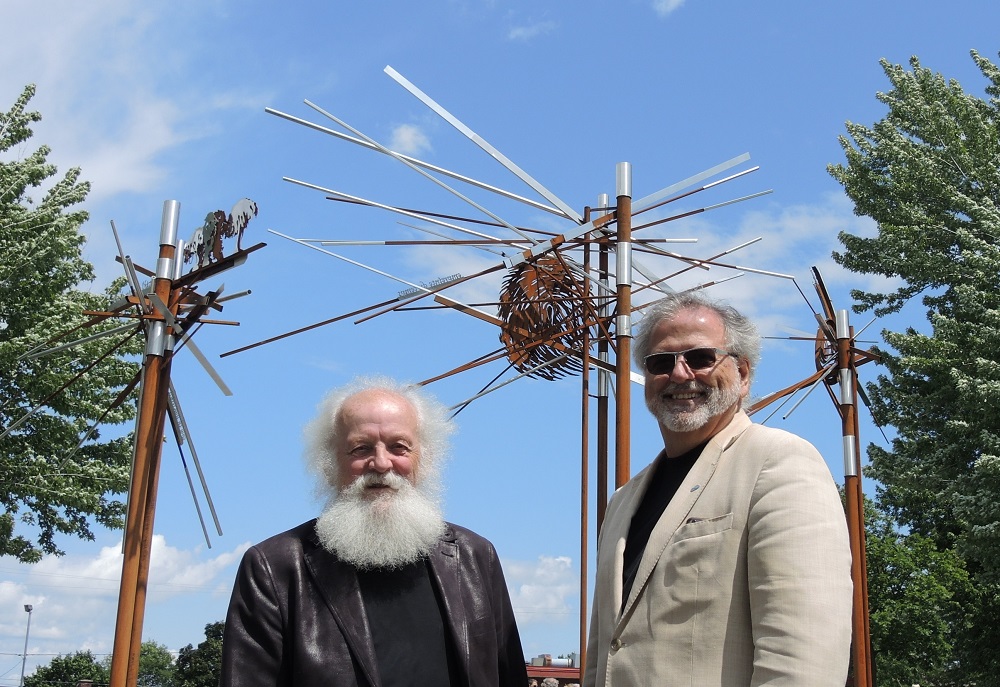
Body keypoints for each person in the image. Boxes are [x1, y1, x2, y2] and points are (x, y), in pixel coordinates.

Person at [583, 291, 853, 686]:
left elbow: (803, 659)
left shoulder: (778, 462)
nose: (679, 374)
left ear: (742, 375)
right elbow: (602, 656)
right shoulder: (623, 501)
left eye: (700, 358)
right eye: (661, 362)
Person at [221, 376, 529, 687]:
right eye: (360, 448)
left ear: (425, 458)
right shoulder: (274, 569)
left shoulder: (476, 557)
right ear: (329, 462)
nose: (381, 463)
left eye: (399, 447)